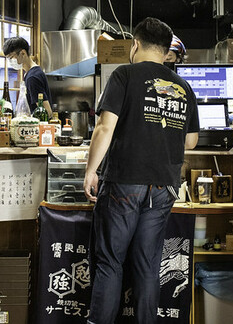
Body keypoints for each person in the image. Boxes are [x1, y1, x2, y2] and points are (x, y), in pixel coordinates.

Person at [83, 18, 199, 324]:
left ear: (135, 44)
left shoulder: (124, 74)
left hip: (124, 182)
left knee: (110, 262)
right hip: (164, 187)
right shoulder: (183, 87)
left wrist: (91, 170)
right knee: (148, 265)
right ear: (165, 50)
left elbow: (104, 127)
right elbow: (191, 141)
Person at [3, 36, 53, 115]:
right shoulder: (32, 73)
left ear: (23, 53)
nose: (11, 61)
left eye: (11, 57)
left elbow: (47, 112)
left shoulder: (32, 77)